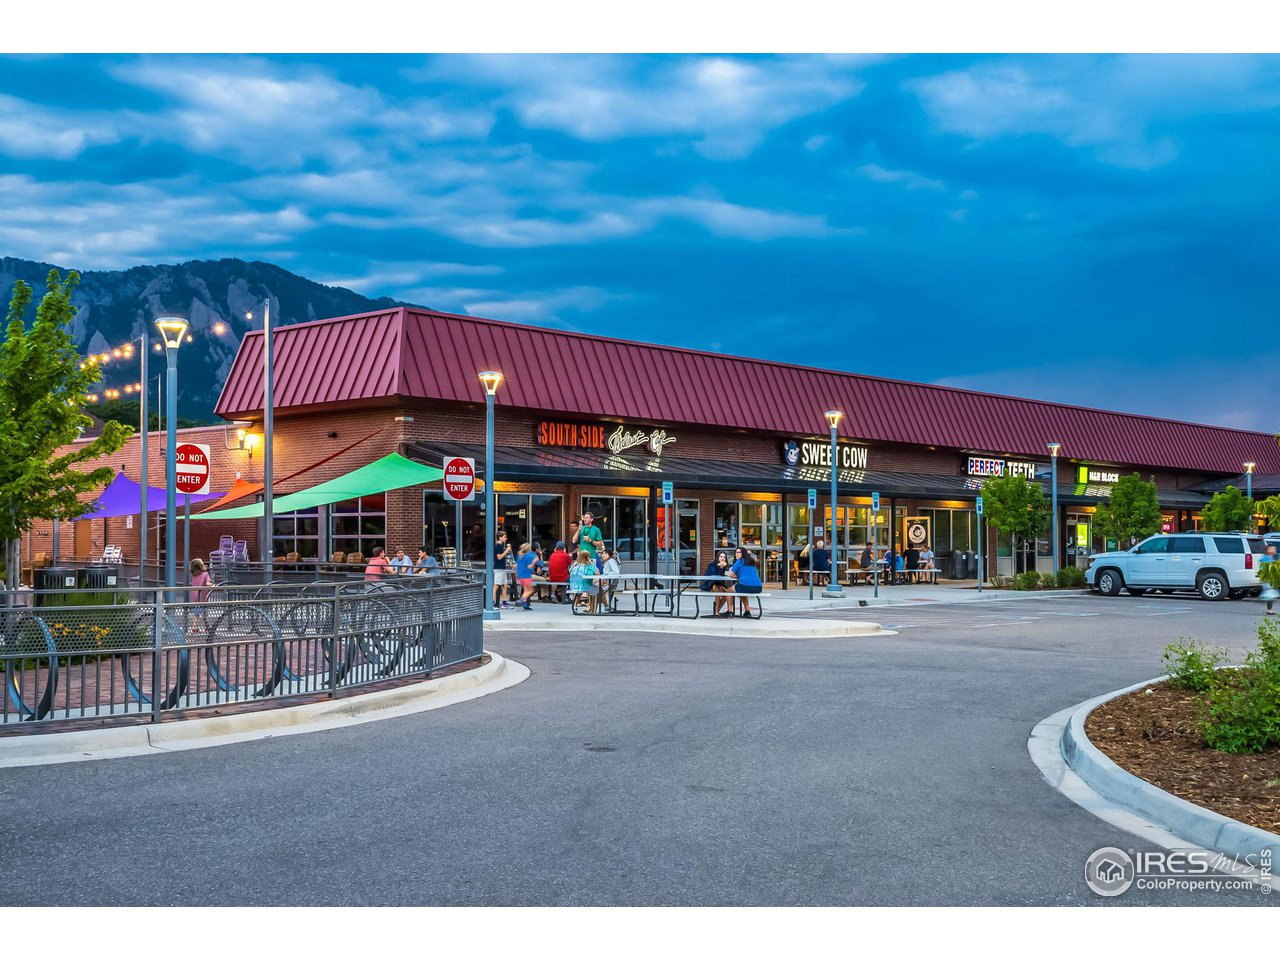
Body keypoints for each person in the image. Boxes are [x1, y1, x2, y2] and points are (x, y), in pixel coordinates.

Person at [729, 546, 763, 617]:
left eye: (739, 552)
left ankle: (730, 611)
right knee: (742, 591)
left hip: (746, 586)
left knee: (728, 590)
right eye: (736, 552)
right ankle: (747, 611)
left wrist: (738, 576)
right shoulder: (751, 561)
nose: (736, 554)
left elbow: (731, 574)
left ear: (743, 553)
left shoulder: (740, 561)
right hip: (758, 587)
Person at [702, 550, 732, 616]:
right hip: (708, 584)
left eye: (724, 557)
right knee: (718, 591)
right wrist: (720, 566)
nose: (722, 558)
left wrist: (725, 567)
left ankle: (717, 611)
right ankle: (716, 612)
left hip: (719, 584)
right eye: (721, 556)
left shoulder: (726, 566)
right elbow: (713, 574)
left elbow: (727, 575)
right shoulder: (712, 564)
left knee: (726, 593)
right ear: (718, 557)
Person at [189, 558, 213, 632]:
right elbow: (208, 583)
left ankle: (194, 627)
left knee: (195, 613)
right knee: (205, 613)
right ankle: (207, 626)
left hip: (194, 596)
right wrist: (213, 585)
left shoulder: (193, 575)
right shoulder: (205, 574)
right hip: (203, 596)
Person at [515, 543, 538, 611]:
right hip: (526, 575)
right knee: (531, 590)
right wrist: (534, 561)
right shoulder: (528, 556)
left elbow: (517, 565)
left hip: (520, 575)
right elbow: (529, 566)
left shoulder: (519, 555)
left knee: (526, 590)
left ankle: (525, 605)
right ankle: (522, 599)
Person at [492, 531, 512, 608]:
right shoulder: (498, 546)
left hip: (502, 568)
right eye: (504, 537)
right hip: (498, 568)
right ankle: (492, 603)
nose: (506, 539)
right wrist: (507, 550)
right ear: (500, 537)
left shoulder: (501, 546)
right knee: (496, 585)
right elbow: (499, 557)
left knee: (504, 585)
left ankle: (504, 603)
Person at [599, 546, 621, 613]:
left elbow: (616, 572)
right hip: (609, 582)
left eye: (605, 554)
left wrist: (606, 576)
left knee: (593, 587)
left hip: (609, 583)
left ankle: (591, 607)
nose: (603, 555)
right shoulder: (608, 562)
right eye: (603, 553)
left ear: (610, 555)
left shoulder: (611, 561)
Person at [1259, 544, 1279, 616]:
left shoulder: (1275, 557)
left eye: (1274, 549)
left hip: (1273, 578)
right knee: (1270, 593)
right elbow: (1264, 568)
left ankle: (1269, 609)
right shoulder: (1265, 558)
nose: (1272, 551)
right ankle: (1269, 610)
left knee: (1271, 593)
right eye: (1270, 549)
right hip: (1267, 579)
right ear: (1266, 550)